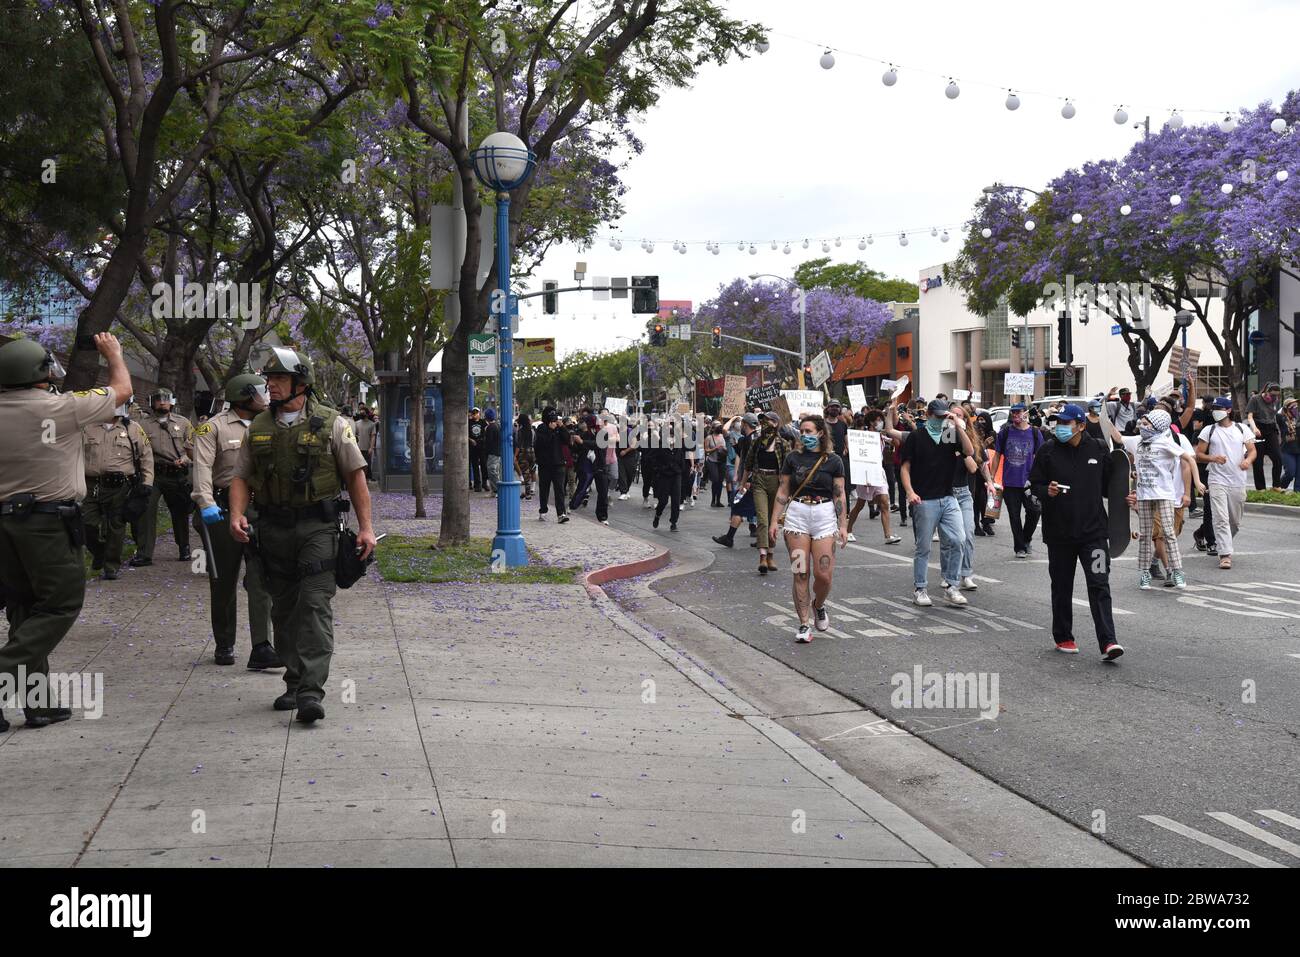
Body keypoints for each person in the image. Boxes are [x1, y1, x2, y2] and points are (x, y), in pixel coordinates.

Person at [227, 348, 375, 724]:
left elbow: (356, 476)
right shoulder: (258, 427)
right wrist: (236, 515)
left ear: (300, 384)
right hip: (273, 530)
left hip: (318, 528)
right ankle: (293, 682)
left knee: (313, 604)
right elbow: (241, 477)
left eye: (278, 379)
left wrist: (367, 528)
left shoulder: (333, 424)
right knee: (284, 608)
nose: (270, 386)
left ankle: (311, 692)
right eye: (269, 380)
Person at [0, 333, 130, 731]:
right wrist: (114, 354)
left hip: (5, 525)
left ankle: (39, 703)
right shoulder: (62, 408)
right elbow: (123, 389)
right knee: (59, 604)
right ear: (40, 374)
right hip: (47, 524)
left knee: (24, 607)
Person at [190, 374, 282, 669]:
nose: (267, 396)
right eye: (261, 391)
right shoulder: (213, 427)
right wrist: (205, 504)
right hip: (221, 510)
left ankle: (262, 647)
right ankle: (224, 643)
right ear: (245, 396)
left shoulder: (271, 423)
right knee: (223, 580)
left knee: (260, 580)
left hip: (260, 509)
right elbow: (202, 468)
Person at [1027, 404, 1124, 659]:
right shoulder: (1047, 450)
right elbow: (1033, 484)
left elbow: (1110, 488)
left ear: (1081, 426)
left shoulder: (1099, 449)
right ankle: (1064, 636)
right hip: (1059, 534)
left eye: (1066, 423)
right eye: (1058, 422)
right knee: (1061, 587)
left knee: (1100, 584)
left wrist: (1128, 498)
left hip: (1094, 534)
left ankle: (1108, 641)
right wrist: (1045, 490)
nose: (1060, 427)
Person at [765, 415, 848, 643]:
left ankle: (818, 605)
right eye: (802, 431)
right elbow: (783, 491)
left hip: (824, 516)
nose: (805, 435)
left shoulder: (834, 461)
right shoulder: (793, 458)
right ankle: (803, 623)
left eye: (809, 431)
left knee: (824, 575)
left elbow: (839, 494)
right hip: (797, 517)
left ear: (821, 433)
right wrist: (774, 521)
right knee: (800, 572)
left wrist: (843, 525)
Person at [1109, 408, 1197, 589]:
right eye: (1142, 422)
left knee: (1169, 533)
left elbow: (1188, 459)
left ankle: (1177, 571)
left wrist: (1197, 482)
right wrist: (1101, 415)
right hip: (1144, 496)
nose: (1142, 425)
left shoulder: (1166, 443)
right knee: (1145, 536)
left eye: (1147, 423)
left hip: (1164, 494)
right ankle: (1144, 573)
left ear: (1157, 426)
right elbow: (1118, 437)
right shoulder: (1137, 441)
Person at [896, 399, 972, 608]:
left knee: (959, 539)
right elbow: (905, 468)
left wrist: (957, 424)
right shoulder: (916, 437)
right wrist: (910, 492)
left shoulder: (949, 435)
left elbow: (969, 451)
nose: (940, 420)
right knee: (923, 547)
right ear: (928, 415)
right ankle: (920, 588)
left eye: (943, 416)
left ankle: (951, 586)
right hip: (924, 499)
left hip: (948, 497)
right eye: (937, 416)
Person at [82, 393, 154, 580]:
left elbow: (146, 457)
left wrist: (147, 483)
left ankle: (111, 565)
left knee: (116, 526)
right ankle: (99, 551)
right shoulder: (88, 427)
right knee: (87, 524)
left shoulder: (133, 429)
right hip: (91, 484)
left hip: (120, 486)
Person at [132, 389, 195, 566]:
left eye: (166, 400)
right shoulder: (142, 425)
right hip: (154, 474)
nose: (162, 403)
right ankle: (144, 553)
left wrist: (184, 459)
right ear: (152, 402)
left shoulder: (183, 423)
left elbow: (192, 447)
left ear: (172, 402)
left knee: (180, 512)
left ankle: (184, 547)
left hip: (177, 475)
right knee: (147, 510)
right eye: (158, 400)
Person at [1196, 396, 1256, 570]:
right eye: (1214, 408)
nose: (1215, 411)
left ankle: (1225, 542)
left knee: (1234, 522)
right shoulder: (1209, 430)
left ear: (1228, 410)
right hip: (1217, 480)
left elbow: (1252, 451)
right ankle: (1225, 555)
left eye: (1219, 408)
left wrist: (1247, 461)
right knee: (1221, 518)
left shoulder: (1242, 429)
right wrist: (1213, 458)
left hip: (1237, 480)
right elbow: (1199, 454)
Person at [990, 403, 1044, 557]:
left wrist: (1040, 479)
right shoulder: (1005, 432)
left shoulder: (1035, 433)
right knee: (1014, 516)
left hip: (1029, 483)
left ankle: (1026, 539)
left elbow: (1041, 458)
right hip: (1010, 483)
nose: (1015, 415)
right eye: (1012, 412)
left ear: (1024, 413)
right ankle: (1019, 547)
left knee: (1034, 511)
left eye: (1018, 412)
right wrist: (991, 478)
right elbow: (997, 456)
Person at [743, 411, 793, 575]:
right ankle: (762, 557)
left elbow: (789, 469)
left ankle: (771, 554)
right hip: (759, 482)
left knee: (773, 520)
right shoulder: (757, 442)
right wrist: (742, 483)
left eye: (770, 421)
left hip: (777, 484)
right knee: (762, 519)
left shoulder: (783, 444)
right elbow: (748, 464)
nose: (766, 424)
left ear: (777, 424)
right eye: (764, 421)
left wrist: (789, 490)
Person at [845, 409, 901, 545]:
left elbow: (896, 443)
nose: (880, 422)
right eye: (878, 420)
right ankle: (848, 530)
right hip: (865, 472)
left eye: (881, 420)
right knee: (860, 504)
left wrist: (890, 430)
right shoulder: (862, 436)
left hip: (878, 472)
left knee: (884, 502)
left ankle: (888, 535)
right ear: (871, 422)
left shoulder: (882, 436)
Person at [713, 413, 760, 548]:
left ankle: (730, 538)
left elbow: (751, 463)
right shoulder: (755, 439)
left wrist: (745, 481)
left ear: (745, 424)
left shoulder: (749, 440)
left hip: (751, 481)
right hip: (756, 480)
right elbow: (741, 457)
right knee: (759, 510)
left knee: (738, 507)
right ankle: (761, 539)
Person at [570, 415, 610, 524]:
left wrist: (582, 442)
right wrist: (573, 442)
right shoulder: (584, 434)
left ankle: (602, 517)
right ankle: (572, 507)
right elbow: (577, 449)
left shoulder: (603, 433)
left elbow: (599, 445)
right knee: (582, 487)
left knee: (603, 492)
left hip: (600, 466)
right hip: (587, 466)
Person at [532, 408, 569, 523]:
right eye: (552, 418)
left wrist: (561, 427)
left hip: (559, 464)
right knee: (544, 488)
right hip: (545, 464)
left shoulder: (559, 428)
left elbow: (567, 440)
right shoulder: (541, 428)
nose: (554, 421)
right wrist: (551, 431)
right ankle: (543, 510)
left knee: (560, 489)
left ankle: (561, 514)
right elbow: (542, 443)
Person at [1246, 382, 1285, 491]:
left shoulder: (1275, 400)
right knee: (1258, 460)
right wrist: (1254, 428)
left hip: (1271, 429)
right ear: (1266, 391)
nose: (1274, 397)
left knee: (1278, 457)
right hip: (1258, 427)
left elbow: (1273, 416)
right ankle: (1260, 488)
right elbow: (1250, 416)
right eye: (1272, 395)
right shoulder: (1255, 399)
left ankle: (1276, 485)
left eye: (1276, 395)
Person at [704, 421, 727, 507]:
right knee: (715, 480)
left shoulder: (723, 436)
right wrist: (715, 448)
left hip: (722, 461)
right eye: (717, 426)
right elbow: (706, 450)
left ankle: (718, 500)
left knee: (720, 481)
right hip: (712, 461)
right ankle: (713, 499)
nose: (719, 428)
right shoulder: (709, 438)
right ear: (713, 428)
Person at [1279, 396, 1300, 491]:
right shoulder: (1281, 418)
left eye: (1296, 405)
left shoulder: (1299, 417)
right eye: (1293, 406)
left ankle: (1297, 494)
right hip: (1287, 450)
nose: (1295, 407)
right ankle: (1280, 488)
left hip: (1298, 449)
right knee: (1290, 473)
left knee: (1299, 475)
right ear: (1287, 408)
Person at [514, 413, 536, 500]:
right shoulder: (532, 431)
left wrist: (515, 455)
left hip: (524, 453)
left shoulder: (520, 432)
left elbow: (518, 445)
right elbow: (534, 442)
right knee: (532, 471)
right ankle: (530, 490)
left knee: (526, 473)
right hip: (532, 452)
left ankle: (527, 494)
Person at [354, 406, 377, 480]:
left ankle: (366, 479)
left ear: (367, 414)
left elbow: (373, 436)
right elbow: (354, 435)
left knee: (367, 464)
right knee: (358, 465)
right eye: (360, 413)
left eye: (363, 413)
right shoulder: (356, 423)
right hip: (358, 447)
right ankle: (360, 480)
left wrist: (371, 447)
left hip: (367, 448)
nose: (361, 414)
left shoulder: (371, 424)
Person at [467, 408, 486, 492]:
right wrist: (471, 440)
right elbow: (465, 433)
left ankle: (484, 483)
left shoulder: (483, 422)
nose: (474, 415)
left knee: (483, 465)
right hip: (472, 447)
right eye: (473, 413)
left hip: (482, 447)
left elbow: (486, 434)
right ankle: (477, 484)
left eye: (476, 413)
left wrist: (479, 441)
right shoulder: (469, 422)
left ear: (479, 413)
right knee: (474, 466)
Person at [482, 408, 501, 493]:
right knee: (495, 470)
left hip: (492, 452)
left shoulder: (489, 428)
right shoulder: (497, 426)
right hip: (497, 451)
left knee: (492, 471)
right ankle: (496, 489)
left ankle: (496, 489)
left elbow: (488, 441)